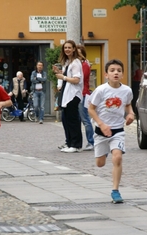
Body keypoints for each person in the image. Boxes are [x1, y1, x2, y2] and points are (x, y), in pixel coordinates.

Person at [88, 59, 134, 203]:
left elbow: (128, 105)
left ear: (122, 74)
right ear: (106, 74)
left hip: (118, 130)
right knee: (100, 163)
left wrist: (131, 114)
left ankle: (115, 191)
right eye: (112, 70)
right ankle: (106, 150)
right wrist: (101, 125)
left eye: (119, 71)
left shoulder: (127, 90)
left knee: (118, 157)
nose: (116, 73)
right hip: (101, 131)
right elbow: (91, 109)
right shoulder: (101, 90)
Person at [53, 40, 83, 153]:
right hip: (67, 95)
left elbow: (76, 79)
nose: (67, 49)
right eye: (65, 48)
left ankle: (75, 145)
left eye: (69, 47)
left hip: (73, 95)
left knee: (72, 120)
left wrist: (63, 77)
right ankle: (70, 143)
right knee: (66, 119)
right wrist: (60, 73)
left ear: (74, 49)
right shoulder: (67, 63)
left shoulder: (75, 63)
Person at [77, 45, 94, 151]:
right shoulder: (80, 64)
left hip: (83, 94)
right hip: (79, 94)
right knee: (80, 119)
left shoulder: (84, 65)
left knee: (85, 120)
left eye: (78, 53)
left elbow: (80, 79)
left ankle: (91, 142)